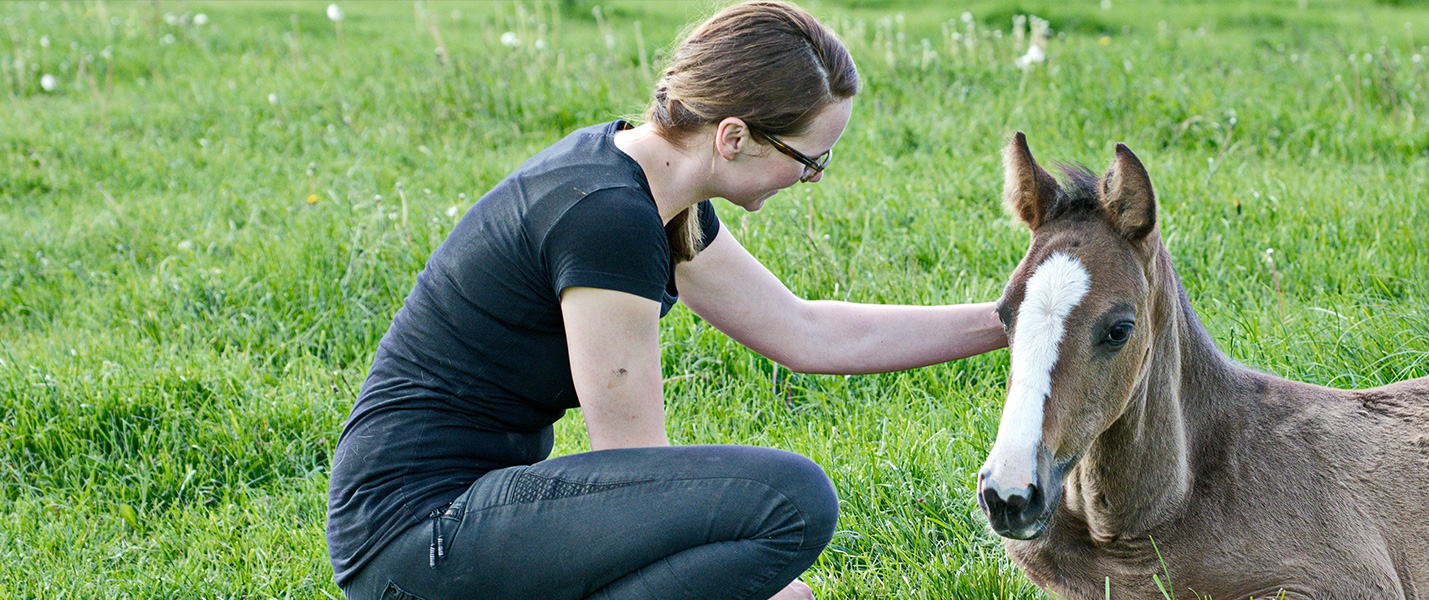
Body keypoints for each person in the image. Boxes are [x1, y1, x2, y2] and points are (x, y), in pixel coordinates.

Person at [325, 3, 1005, 599]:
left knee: (775, 511)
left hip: (463, 524)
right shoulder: (608, 218)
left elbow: (805, 331)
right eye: (810, 158)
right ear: (732, 136)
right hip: (418, 542)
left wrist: (1010, 322)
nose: (812, 178)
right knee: (791, 500)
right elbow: (635, 474)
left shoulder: (656, 192)